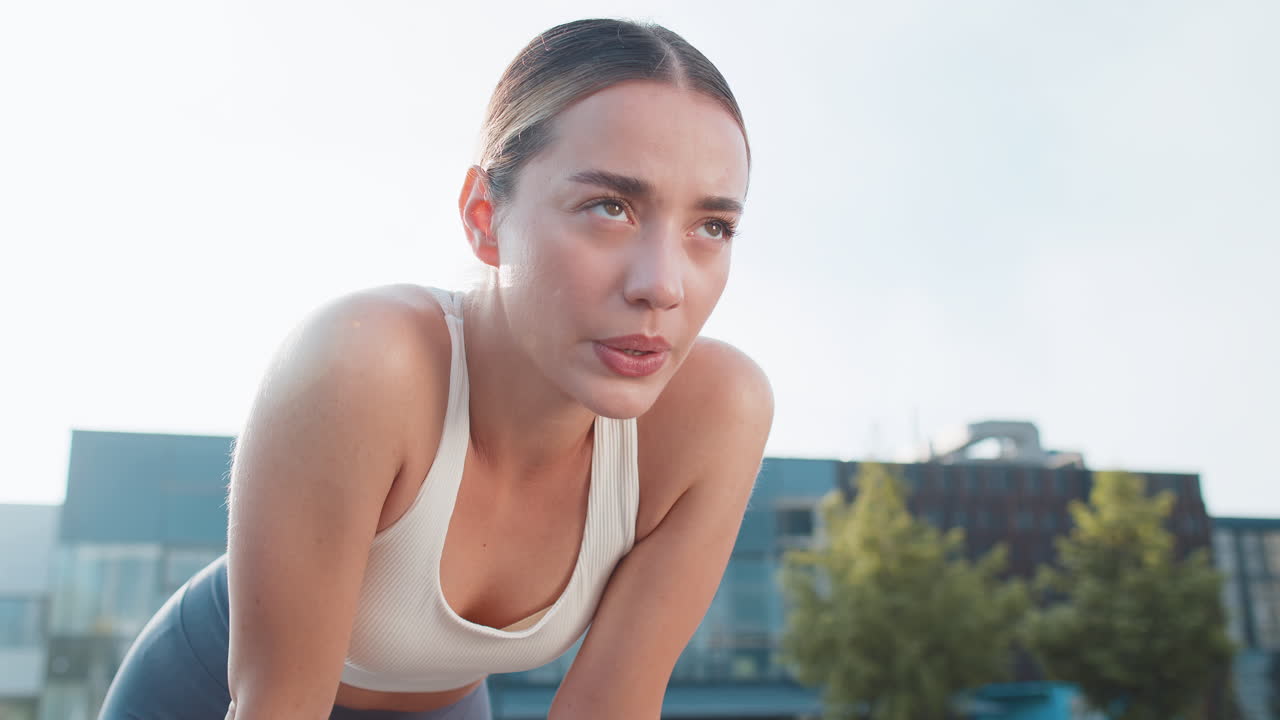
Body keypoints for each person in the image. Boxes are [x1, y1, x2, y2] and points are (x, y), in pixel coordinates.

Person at [100, 17, 772, 720]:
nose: (663, 286)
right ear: (485, 216)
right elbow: (279, 705)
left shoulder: (718, 414)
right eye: (611, 207)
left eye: (712, 227)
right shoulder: (365, 365)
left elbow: (613, 706)